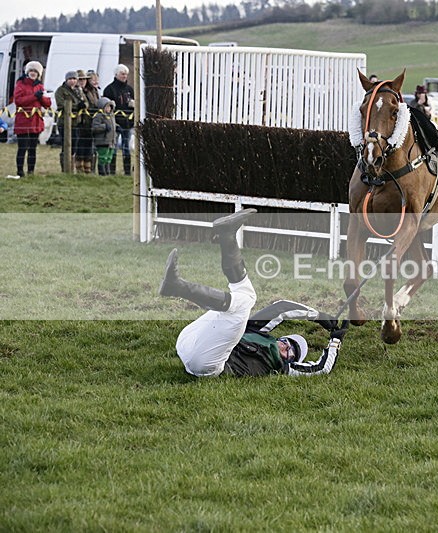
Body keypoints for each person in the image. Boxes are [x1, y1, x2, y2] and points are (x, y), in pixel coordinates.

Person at [159, 208, 345, 378]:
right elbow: (281, 308)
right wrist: (319, 316)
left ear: (291, 360)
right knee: (243, 294)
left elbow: (322, 368)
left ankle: (178, 286)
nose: (285, 346)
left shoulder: (281, 368)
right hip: (186, 342)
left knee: (245, 302)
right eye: (286, 342)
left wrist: (335, 341)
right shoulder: (256, 332)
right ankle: (227, 235)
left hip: (208, 366)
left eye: (290, 351)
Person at [12, 61, 51, 178]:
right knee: (22, 147)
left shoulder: (40, 86)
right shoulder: (20, 84)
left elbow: (47, 104)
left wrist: (41, 97)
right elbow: (18, 101)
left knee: (33, 148)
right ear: (27, 72)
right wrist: (35, 96)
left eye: (35, 71)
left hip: (35, 121)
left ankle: (31, 171)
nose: (33, 73)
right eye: (31, 71)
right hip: (23, 120)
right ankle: (20, 171)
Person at [103, 64, 135, 175]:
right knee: (114, 148)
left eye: (126, 74)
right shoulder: (109, 89)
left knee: (126, 148)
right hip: (115, 123)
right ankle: (112, 172)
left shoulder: (130, 89)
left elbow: (135, 103)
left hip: (128, 123)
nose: (124, 76)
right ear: (116, 74)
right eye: (122, 73)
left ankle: (127, 172)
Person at [54, 70, 87, 172]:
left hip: (76, 122)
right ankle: (65, 168)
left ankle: (71, 167)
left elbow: (85, 102)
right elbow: (62, 104)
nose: (72, 81)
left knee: (74, 146)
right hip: (64, 122)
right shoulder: (60, 90)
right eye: (70, 79)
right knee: (66, 146)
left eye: (74, 79)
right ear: (66, 80)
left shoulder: (79, 91)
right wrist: (77, 106)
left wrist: (84, 105)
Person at [92, 97, 116, 175]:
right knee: (103, 157)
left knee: (109, 158)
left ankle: (107, 173)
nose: (109, 109)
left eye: (110, 107)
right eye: (107, 107)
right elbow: (95, 127)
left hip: (111, 141)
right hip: (102, 141)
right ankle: (102, 173)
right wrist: (104, 127)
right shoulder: (99, 116)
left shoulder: (111, 116)